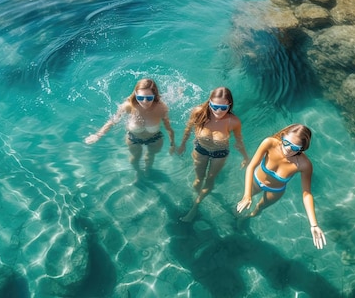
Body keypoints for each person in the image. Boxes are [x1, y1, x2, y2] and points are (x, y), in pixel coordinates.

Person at [236, 123, 326, 249]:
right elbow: (251, 166)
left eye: (295, 148)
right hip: (256, 180)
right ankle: (237, 215)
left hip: (275, 190)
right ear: (283, 136)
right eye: (286, 142)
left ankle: (246, 218)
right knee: (243, 201)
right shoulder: (270, 143)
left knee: (259, 208)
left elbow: (306, 193)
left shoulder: (304, 164)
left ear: (302, 148)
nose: (288, 149)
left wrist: (314, 224)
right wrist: (247, 195)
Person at [177, 87, 250, 222]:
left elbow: (239, 141)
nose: (218, 111)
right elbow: (188, 129)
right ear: (209, 102)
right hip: (200, 149)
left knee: (210, 179)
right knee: (198, 179)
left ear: (229, 105)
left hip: (220, 153)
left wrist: (246, 157)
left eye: (223, 108)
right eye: (215, 106)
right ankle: (196, 195)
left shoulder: (233, 121)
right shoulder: (199, 112)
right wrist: (182, 145)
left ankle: (195, 207)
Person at [85, 78, 175, 180]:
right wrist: (98, 135)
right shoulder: (128, 106)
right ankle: (138, 172)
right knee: (135, 159)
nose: (145, 101)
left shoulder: (161, 108)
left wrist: (172, 143)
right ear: (136, 94)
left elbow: (168, 127)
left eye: (149, 98)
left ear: (154, 96)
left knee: (150, 156)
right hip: (134, 138)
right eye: (141, 98)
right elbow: (113, 121)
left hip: (155, 138)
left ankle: (148, 170)